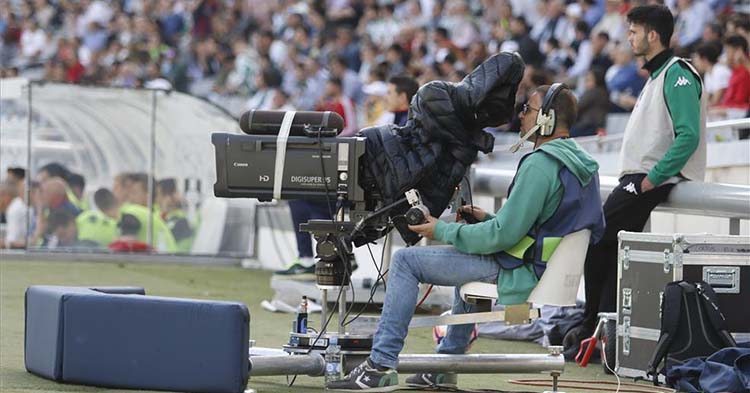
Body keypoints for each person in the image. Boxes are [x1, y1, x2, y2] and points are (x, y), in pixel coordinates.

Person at [327, 84, 605, 391]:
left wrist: (441, 230)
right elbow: (541, 227)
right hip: (540, 266)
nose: (522, 115)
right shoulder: (582, 163)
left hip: (519, 269)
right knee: (467, 249)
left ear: (548, 119)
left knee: (405, 261)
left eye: (529, 109)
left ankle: (380, 365)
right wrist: (485, 219)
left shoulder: (541, 164)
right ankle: (444, 366)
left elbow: (501, 237)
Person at [569, 4, 707, 354]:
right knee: (612, 250)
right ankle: (603, 334)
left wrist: (652, 179)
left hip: (647, 179)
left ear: (653, 34)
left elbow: (687, 136)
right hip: (639, 178)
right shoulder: (658, 75)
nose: (628, 37)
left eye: (633, 31)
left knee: (598, 240)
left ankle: (590, 326)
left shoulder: (678, 74)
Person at [0, 180, 27, 249]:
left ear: (5, 195)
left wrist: (4, 243)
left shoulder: (14, 209)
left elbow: (12, 241)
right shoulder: (16, 205)